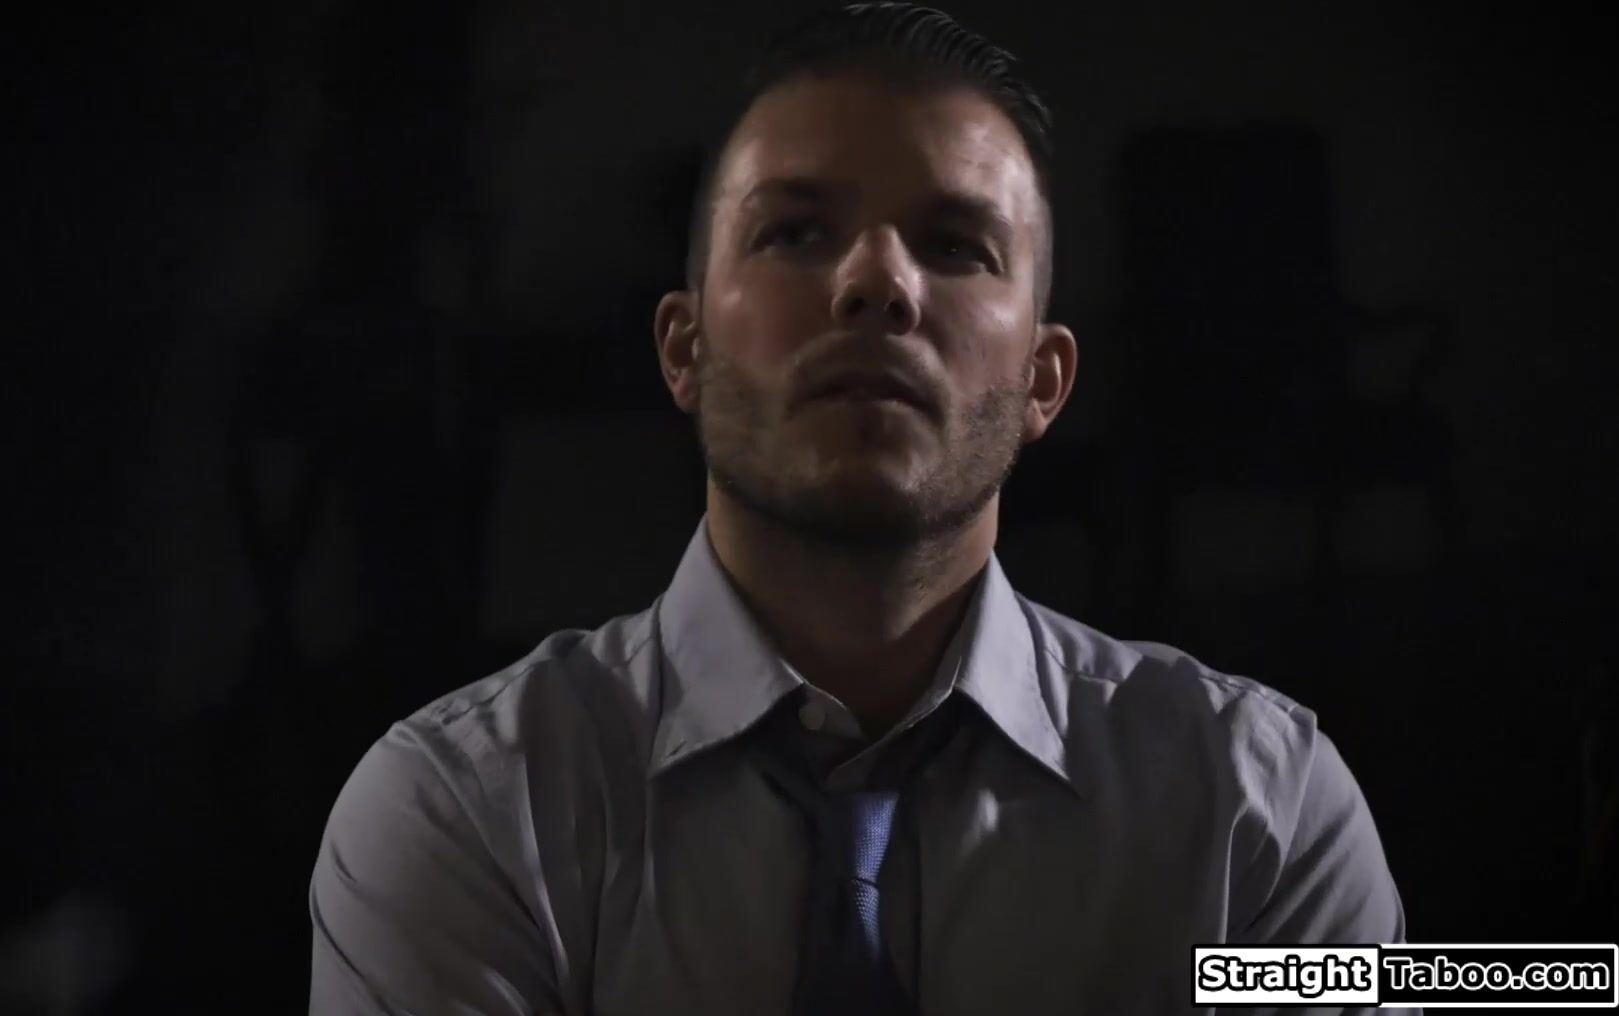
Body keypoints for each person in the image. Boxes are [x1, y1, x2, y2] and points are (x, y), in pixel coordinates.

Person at [308, 4, 1412, 1013]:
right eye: (795, 232)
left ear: (1042, 381)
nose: (877, 281)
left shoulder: (1259, 819)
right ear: (684, 349)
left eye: (955, 245)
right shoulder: (462, 814)